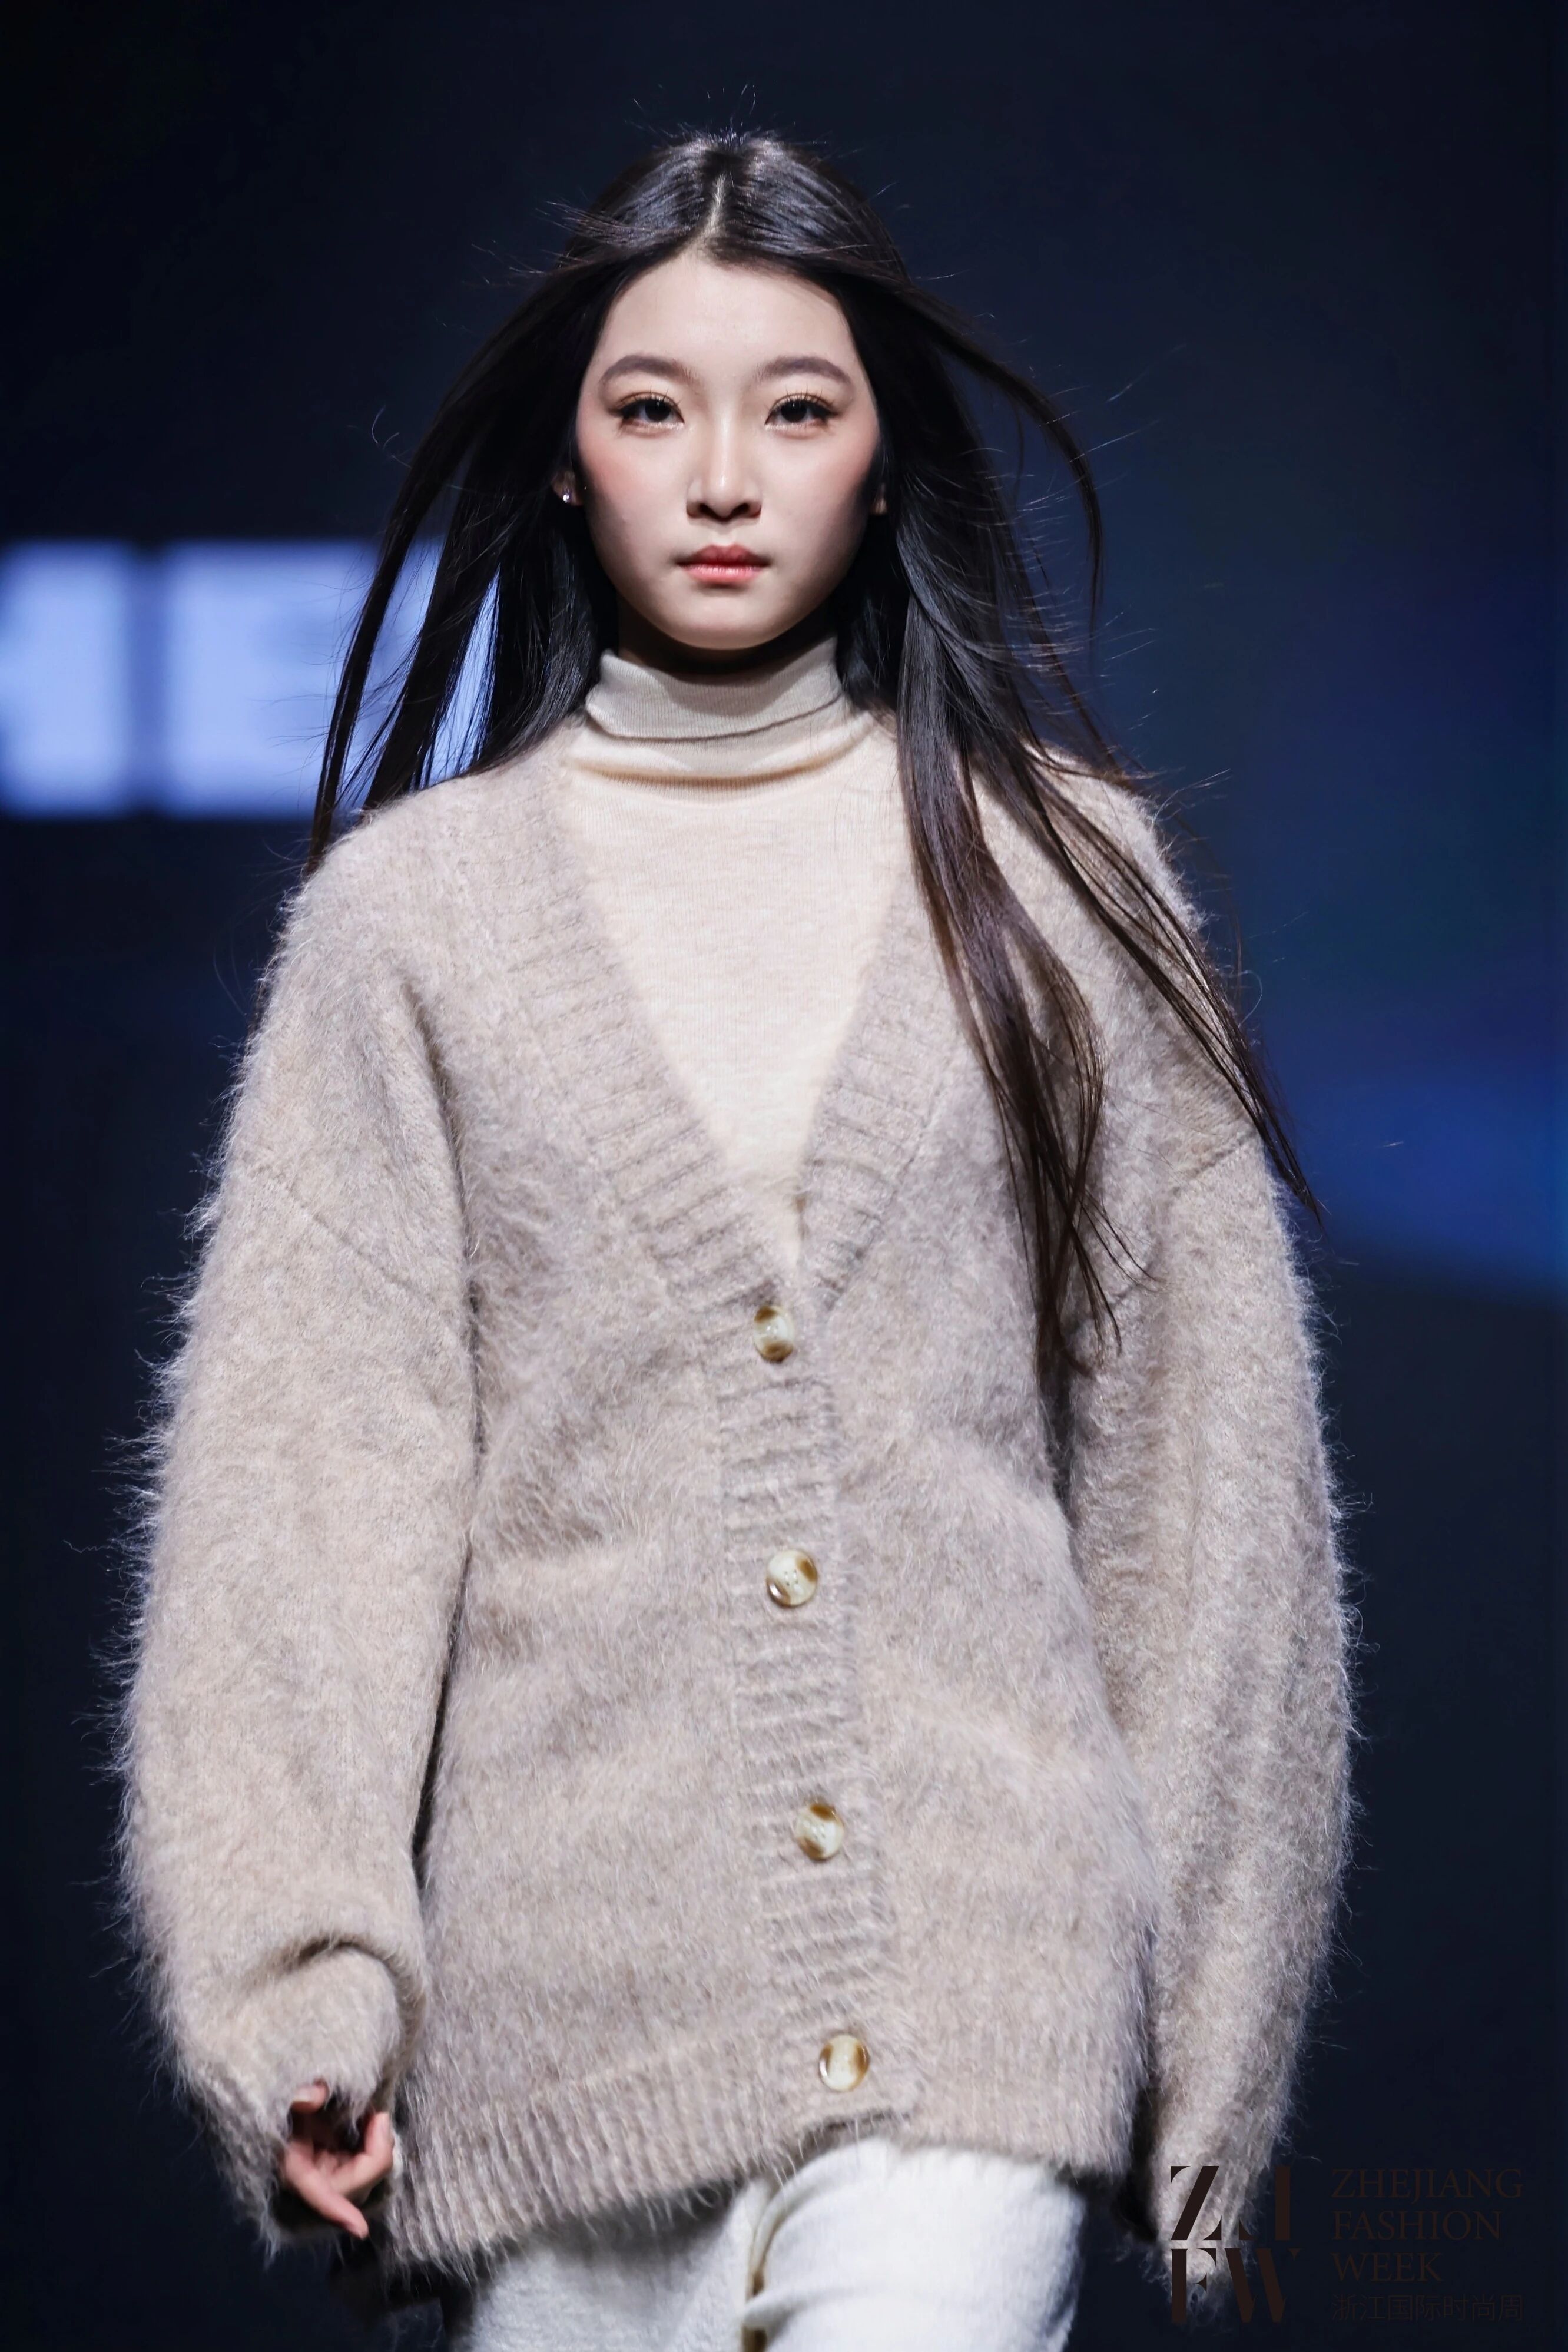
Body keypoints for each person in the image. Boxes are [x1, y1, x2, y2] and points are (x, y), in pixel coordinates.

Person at [117, 132, 1357, 2350]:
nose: (721, 476)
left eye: (797, 407)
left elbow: (1210, 1494)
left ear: (882, 463)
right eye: (650, 406)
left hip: (980, 1995)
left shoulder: (1066, 888)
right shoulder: (414, 930)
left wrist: (1214, 2047)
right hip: (557, 2033)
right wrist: (297, 1988)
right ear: (566, 456)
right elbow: (305, 1495)